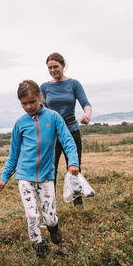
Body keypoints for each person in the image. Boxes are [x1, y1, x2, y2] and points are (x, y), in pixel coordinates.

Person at [0, 80, 79, 258]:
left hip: (47, 176)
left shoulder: (54, 117)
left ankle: (53, 228)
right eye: (24, 104)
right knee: (32, 215)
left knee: (49, 217)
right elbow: (14, 154)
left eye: (32, 102)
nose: (28, 107)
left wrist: (73, 162)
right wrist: (5, 176)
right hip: (24, 177)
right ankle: (39, 248)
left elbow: (68, 141)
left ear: (40, 97)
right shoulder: (20, 124)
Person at [40, 52, 92, 207]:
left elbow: (85, 103)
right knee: (51, 171)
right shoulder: (44, 87)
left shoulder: (74, 84)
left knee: (74, 168)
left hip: (71, 131)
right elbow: (41, 109)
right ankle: (50, 205)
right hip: (52, 135)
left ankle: (78, 203)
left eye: (56, 66)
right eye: (50, 67)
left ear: (63, 65)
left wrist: (87, 114)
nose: (53, 70)